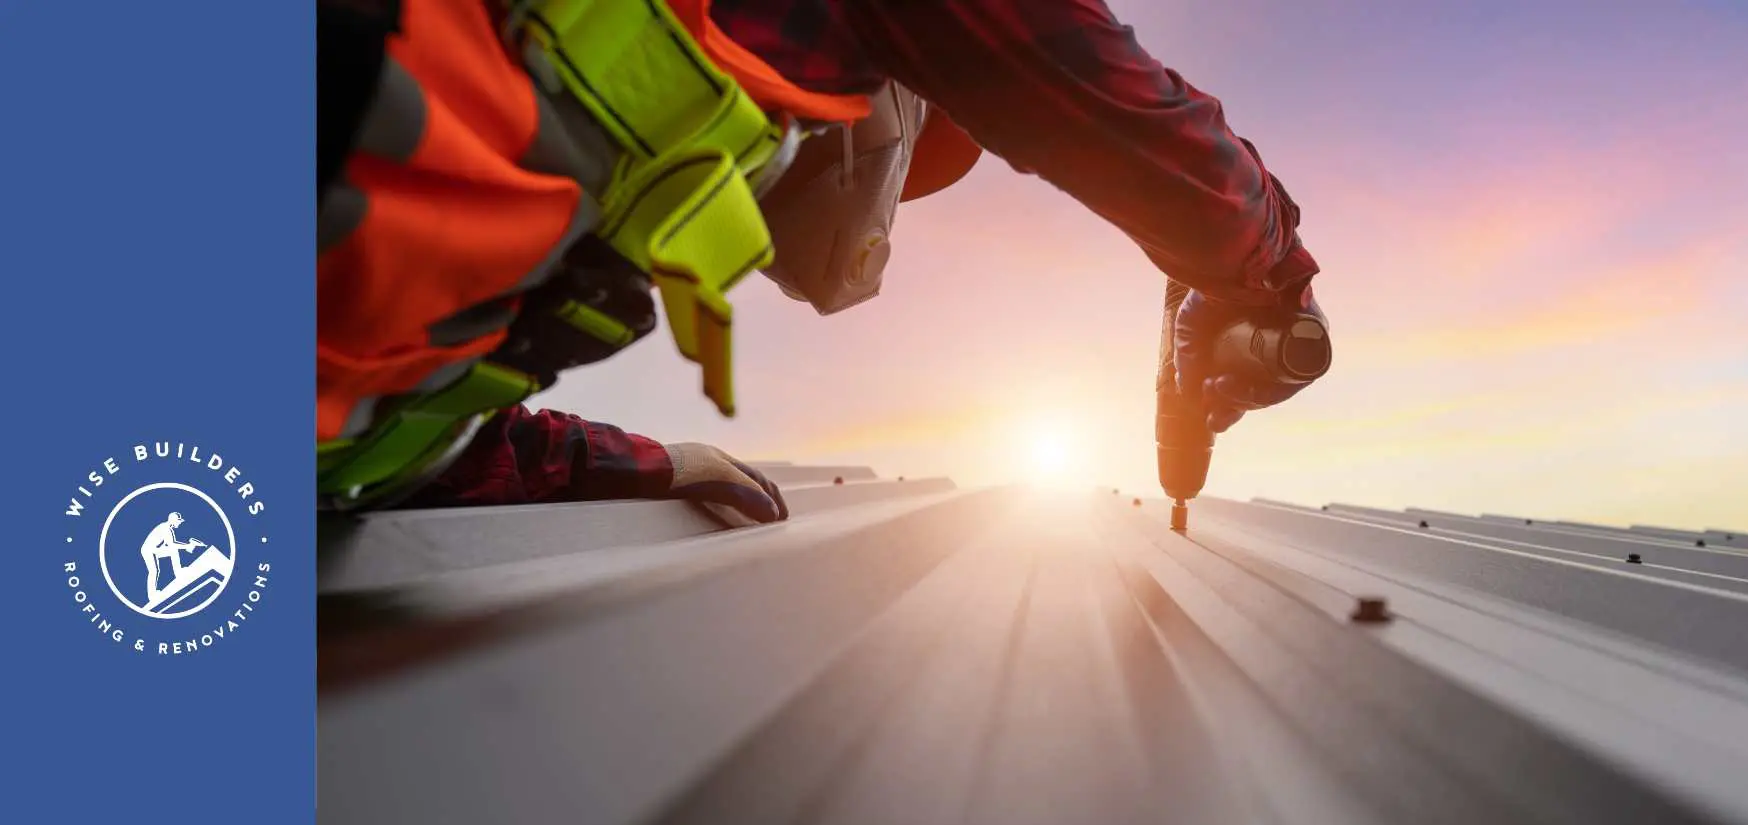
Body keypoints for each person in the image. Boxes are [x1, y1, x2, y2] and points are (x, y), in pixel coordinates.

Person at [317, 0, 1328, 518]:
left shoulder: (526, 198)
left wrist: (633, 467)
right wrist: (1271, 275)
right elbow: (1114, 108)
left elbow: (375, 442)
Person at [140, 513, 205, 602]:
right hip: (148, 550)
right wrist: (187, 546)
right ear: (173, 520)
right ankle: (152, 596)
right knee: (154, 571)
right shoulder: (165, 528)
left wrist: (187, 546)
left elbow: (171, 545)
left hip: (155, 549)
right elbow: (172, 544)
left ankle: (179, 572)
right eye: (178, 521)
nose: (180, 523)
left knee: (172, 551)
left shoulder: (168, 528)